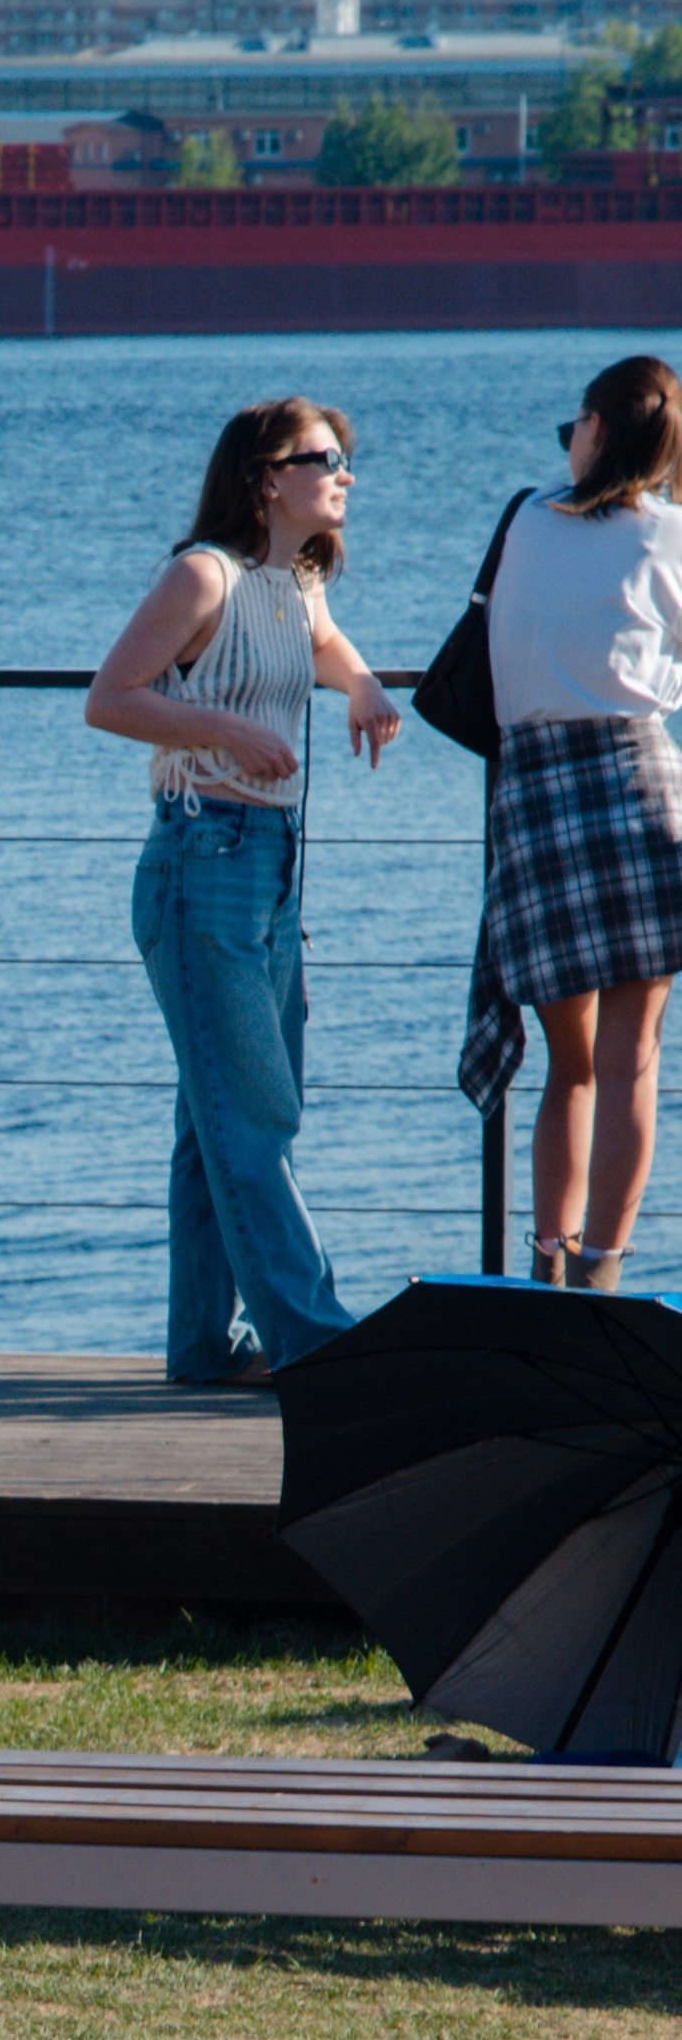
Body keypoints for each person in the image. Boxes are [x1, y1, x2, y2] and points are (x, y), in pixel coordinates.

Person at [86, 400, 402, 1386]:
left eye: (345, 458)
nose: (343, 474)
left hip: (269, 866)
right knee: (254, 1113)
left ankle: (199, 1347)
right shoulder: (202, 575)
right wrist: (220, 732)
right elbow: (110, 699)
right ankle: (312, 1339)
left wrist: (362, 686)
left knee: (214, 1117)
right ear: (267, 477)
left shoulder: (291, 583)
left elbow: (325, 644)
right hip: (203, 861)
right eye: (323, 459)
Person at [458, 353, 682, 1290]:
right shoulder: (668, 534)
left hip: (537, 793)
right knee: (634, 1060)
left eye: (575, 426)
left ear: (596, 429)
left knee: (570, 1064)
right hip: (635, 781)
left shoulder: (522, 520)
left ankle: (545, 1263)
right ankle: (603, 1270)